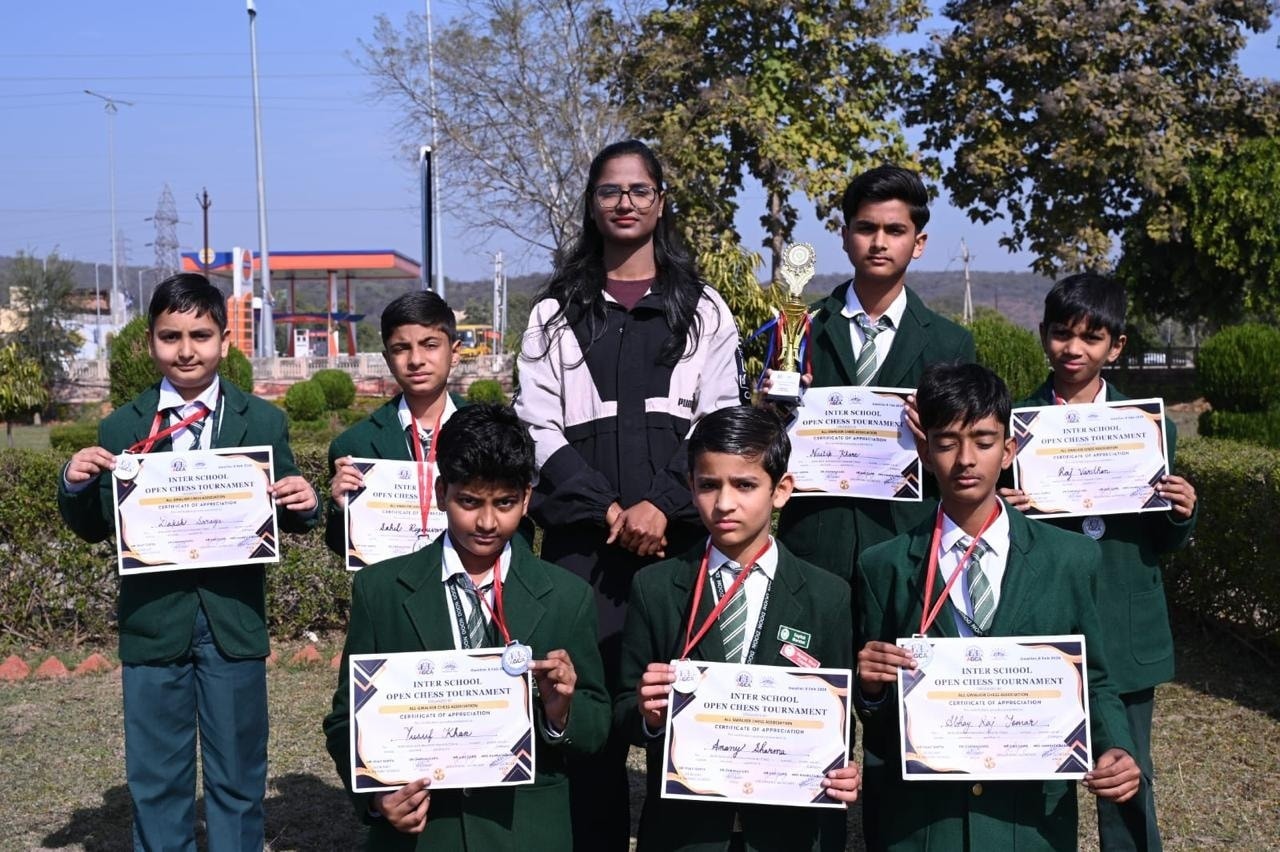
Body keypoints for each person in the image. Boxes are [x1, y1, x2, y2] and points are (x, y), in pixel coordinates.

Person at [515, 138, 743, 849]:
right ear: (592, 205)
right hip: (585, 551)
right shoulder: (554, 313)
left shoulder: (704, 310)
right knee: (590, 721)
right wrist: (608, 510)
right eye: (610, 190)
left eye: (640, 190)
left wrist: (661, 504)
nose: (625, 202)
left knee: (685, 713)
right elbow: (537, 425)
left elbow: (718, 422)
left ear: (661, 202)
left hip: (680, 547)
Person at [57, 272, 319, 851]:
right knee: (156, 779)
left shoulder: (263, 421)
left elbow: (289, 512)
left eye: (200, 335)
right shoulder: (122, 426)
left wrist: (305, 501)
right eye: (170, 336)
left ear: (225, 340)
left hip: (232, 622)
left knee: (238, 776)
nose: (185, 350)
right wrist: (75, 484)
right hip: (154, 623)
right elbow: (97, 527)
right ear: (149, 342)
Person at [855, 362, 1141, 851]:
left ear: (1009, 450)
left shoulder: (1069, 560)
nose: (965, 459)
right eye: (947, 443)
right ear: (924, 452)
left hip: (1029, 822)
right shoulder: (884, 565)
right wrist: (873, 690)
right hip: (926, 825)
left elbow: (1093, 678)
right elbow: (879, 726)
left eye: (983, 442)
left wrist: (1116, 744)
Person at [772, 164, 973, 847]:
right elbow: (765, 442)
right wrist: (776, 418)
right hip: (813, 550)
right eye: (865, 228)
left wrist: (933, 440)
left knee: (897, 718)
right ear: (844, 235)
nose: (879, 242)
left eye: (895, 229)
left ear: (919, 241)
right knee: (811, 712)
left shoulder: (949, 344)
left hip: (906, 555)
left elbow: (967, 461)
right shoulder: (798, 328)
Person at [322, 403, 609, 851]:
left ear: (526, 499)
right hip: (423, 835)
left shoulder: (566, 596)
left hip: (525, 833)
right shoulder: (381, 591)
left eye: (505, 503)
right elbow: (346, 721)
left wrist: (561, 713)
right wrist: (377, 800)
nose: (487, 522)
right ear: (441, 493)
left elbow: (596, 726)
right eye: (469, 502)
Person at [999, 272, 1198, 851]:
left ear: (1116, 346)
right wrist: (1008, 510)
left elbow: (1161, 542)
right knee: (1039, 774)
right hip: (1046, 620)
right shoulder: (1015, 426)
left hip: (1125, 624)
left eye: (1091, 337)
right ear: (1043, 335)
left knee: (1127, 775)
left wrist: (1180, 513)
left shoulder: (1149, 428)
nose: (1074, 349)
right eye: (1062, 334)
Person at [616, 405, 859, 851]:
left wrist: (842, 768)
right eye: (709, 485)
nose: (724, 503)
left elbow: (837, 714)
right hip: (685, 834)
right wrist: (647, 717)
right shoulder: (656, 588)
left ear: (781, 490)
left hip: (787, 834)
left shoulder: (827, 596)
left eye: (745, 485)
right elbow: (622, 709)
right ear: (691, 487)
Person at [325, 290, 466, 560]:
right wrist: (342, 507)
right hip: (392, 583)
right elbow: (342, 547)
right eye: (401, 349)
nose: (416, 360)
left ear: (455, 352)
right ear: (388, 359)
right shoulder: (355, 446)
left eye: (430, 345)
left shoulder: (494, 432)